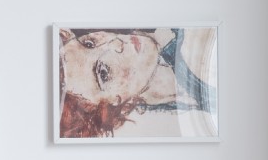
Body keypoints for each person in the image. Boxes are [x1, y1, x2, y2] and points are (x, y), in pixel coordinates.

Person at [57, 27, 217, 139]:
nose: (115, 43)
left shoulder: (193, 42)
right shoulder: (153, 123)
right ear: (110, 105)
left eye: (89, 43)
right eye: (104, 73)